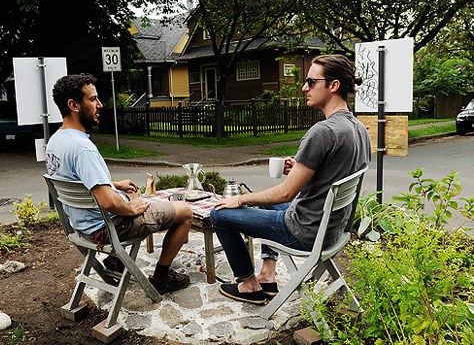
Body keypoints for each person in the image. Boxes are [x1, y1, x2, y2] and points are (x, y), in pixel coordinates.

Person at [211, 54, 371, 305]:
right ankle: (267, 276)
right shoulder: (358, 129)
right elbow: (335, 173)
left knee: (219, 214)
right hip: (334, 229)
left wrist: (240, 200)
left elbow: (286, 193)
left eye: (311, 81)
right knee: (265, 203)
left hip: (305, 231)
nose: (304, 87)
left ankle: (248, 284)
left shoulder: (323, 132)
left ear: (333, 85)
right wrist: (300, 168)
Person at [45, 73, 193, 294]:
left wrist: (113, 184)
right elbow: (107, 202)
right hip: (109, 229)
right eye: (93, 99)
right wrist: (130, 208)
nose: (100, 104)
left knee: (137, 195)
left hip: (81, 227)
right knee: (185, 212)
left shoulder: (56, 141)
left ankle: (116, 262)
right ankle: (162, 278)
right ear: (73, 105)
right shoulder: (83, 148)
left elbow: (76, 181)